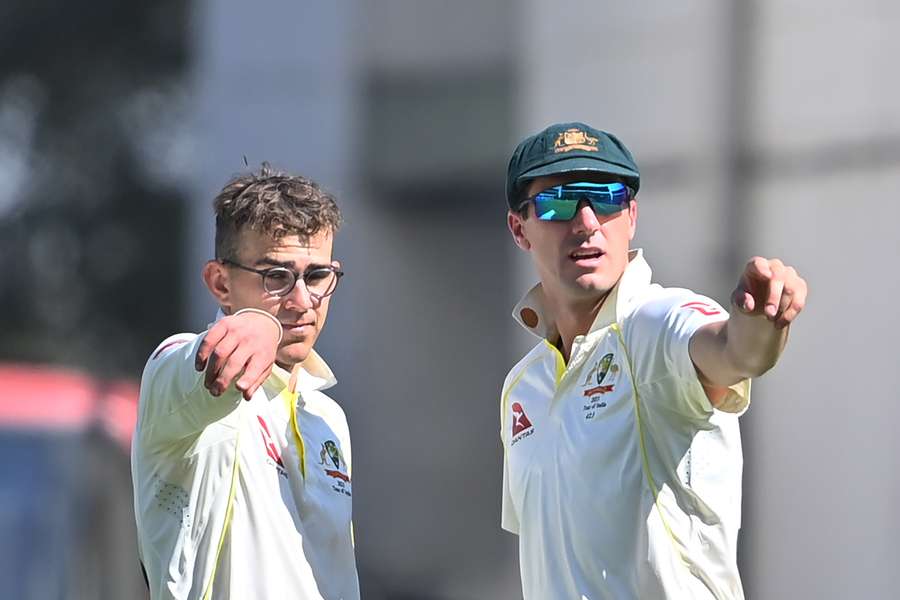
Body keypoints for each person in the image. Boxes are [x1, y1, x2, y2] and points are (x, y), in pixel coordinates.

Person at [500, 122, 807, 599]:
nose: (586, 222)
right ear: (520, 229)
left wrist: (764, 321)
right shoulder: (523, 386)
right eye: (559, 202)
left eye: (605, 197)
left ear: (632, 216)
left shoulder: (653, 321)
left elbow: (734, 353)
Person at [131, 164, 359, 599]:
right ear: (220, 283)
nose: (301, 300)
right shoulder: (176, 365)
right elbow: (200, 372)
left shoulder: (329, 416)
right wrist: (258, 324)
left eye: (316, 276)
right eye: (275, 276)